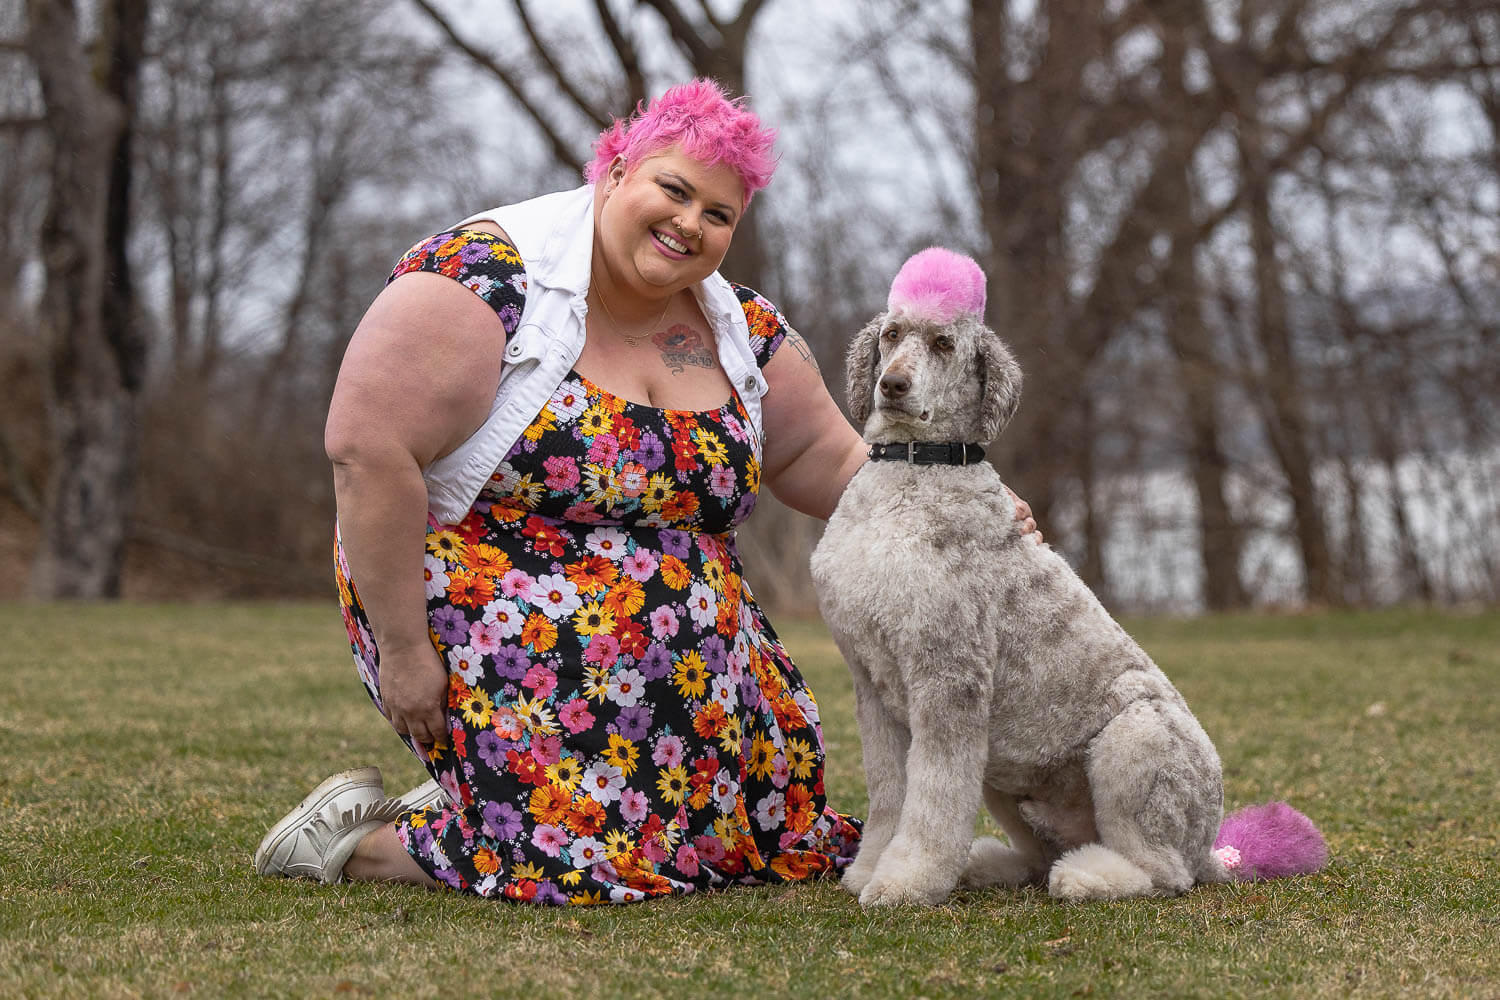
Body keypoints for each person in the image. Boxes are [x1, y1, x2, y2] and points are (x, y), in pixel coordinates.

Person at [254, 79, 1038, 903]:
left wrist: (969, 503)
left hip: (687, 647)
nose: (689, 223)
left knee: (769, 840)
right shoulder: (478, 280)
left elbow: (828, 459)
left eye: (718, 214)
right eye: (673, 189)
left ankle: (487, 803)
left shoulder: (741, 327)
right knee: (586, 859)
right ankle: (352, 841)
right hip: (475, 597)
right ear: (617, 169)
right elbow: (364, 454)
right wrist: (407, 655)